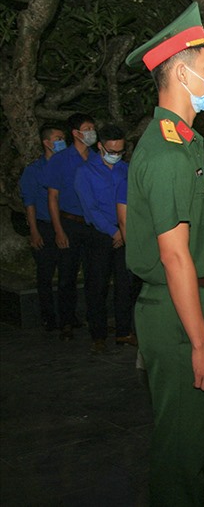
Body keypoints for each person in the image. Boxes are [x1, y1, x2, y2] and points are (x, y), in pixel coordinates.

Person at [124, 2, 204, 505]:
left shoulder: (184, 142)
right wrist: (200, 344)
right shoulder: (168, 151)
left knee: (188, 447)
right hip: (178, 312)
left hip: (187, 304)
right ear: (183, 72)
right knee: (182, 452)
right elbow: (174, 257)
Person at [74, 123, 136, 352]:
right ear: (100, 146)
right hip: (98, 236)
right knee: (97, 286)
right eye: (112, 151)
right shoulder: (84, 172)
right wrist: (114, 231)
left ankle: (124, 332)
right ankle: (98, 335)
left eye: (120, 151)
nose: (116, 156)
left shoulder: (126, 169)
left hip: (125, 232)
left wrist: (124, 230)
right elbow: (90, 209)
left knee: (125, 286)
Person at [44, 112, 99, 341]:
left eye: (93, 128)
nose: (92, 132)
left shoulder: (97, 158)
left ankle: (95, 320)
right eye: (87, 128)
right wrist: (58, 230)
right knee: (67, 276)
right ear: (76, 133)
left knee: (94, 275)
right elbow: (52, 197)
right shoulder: (60, 160)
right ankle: (66, 321)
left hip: (93, 225)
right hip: (69, 223)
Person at [19, 123, 66, 331]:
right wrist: (34, 231)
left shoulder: (69, 166)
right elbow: (29, 202)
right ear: (46, 142)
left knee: (67, 272)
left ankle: (68, 315)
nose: (61, 142)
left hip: (66, 223)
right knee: (45, 275)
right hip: (44, 225)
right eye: (58, 139)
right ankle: (48, 317)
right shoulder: (33, 171)